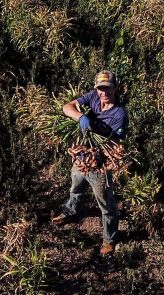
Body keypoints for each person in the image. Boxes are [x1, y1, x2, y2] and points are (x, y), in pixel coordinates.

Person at [52, 70, 128, 255]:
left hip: (99, 163)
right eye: (101, 89)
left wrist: (96, 142)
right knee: (76, 186)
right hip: (82, 157)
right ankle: (70, 211)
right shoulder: (93, 97)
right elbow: (67, 106)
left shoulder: (120, 114)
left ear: (115, 88)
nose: (104, 93)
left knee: (106, 203)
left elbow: (115, 144)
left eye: (108, 88)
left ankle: (110, 238)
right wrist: (81, 117)